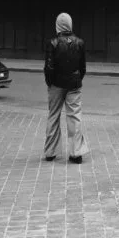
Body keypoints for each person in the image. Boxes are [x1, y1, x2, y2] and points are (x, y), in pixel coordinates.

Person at [43, 13, 89, 164]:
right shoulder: (80, 42)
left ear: (57, 26)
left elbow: (48, 67)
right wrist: (77, 78)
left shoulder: (52, 43)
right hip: (74, 83)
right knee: (74, 116)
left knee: (53, 115)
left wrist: (50, 83)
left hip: (56, 84)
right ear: (70, 24)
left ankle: (51, 152)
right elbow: (82, 67)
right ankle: (76, 153)